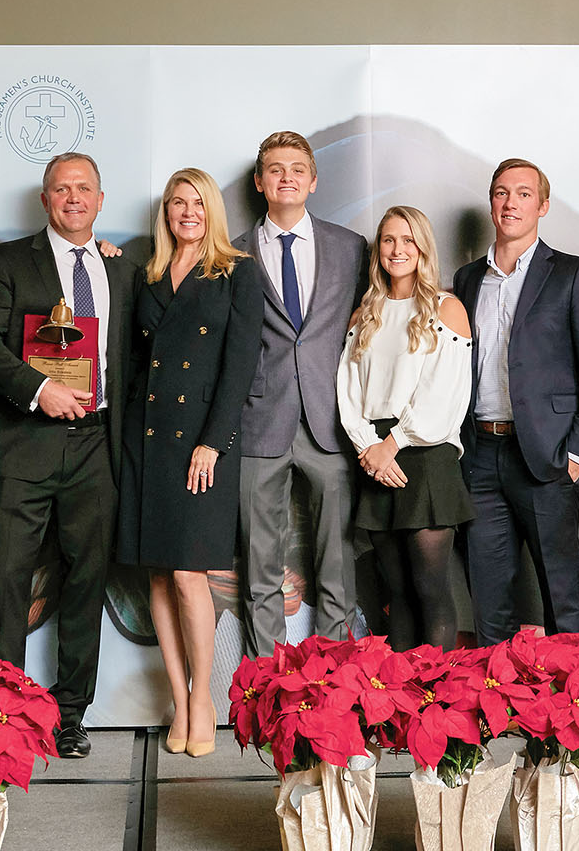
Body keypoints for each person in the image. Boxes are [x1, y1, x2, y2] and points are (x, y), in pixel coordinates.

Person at [0, 152, 139, 758]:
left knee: (86, 580)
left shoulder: (123, 270)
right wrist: (40, 390)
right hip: (24, 441)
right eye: (61, 189)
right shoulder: (8, 261)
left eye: (83, 188)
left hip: (98, 444)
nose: (72, 198)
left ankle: (70, 713)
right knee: (6, 579)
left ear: (99, 197)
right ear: (44, 199)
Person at [116, 168, 263, 757]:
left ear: (213, 211)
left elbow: (240, 366)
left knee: (188, 573)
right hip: (145, 440)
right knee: (156, 572)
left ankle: (205, 696)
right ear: (166, 213)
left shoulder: (237, 272)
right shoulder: (144, 272)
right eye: (177, 203)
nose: (187, 212)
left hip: (202, 442)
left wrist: (212, 442)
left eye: (197, 202)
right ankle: (179, 696)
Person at [452, 158, 579, 645]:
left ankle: (578, 708)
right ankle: (498, 703)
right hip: (480, 455)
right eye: (502, 192)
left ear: (543, 206)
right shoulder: (467, 281)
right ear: (491, 204)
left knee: (561, 589)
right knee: (487, 593)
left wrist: (577, 454)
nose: (511, 203)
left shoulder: (572, 274)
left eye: (524, 193)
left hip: (548, 457)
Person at [235, 131, 370, 656]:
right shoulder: (234, 252)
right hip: (258, 420)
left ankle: (334, 672)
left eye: (297, 168)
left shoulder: (350, 247)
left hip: (330, 419)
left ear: (313, 181)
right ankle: (266, 682)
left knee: (336, 556)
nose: (286, 176)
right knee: (257, 557)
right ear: (259, 181)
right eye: (275, 168)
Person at [336, 206, 474, 651]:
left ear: (423, 248)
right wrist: (370, 448)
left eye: (408, 240)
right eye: (389, 241)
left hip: (424, 455)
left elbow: (445, 393)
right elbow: (348, 391)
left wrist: (393, 443)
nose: (398, 250)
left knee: (430, 590)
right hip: (374, 456)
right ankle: (400, 703)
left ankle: (437, 705)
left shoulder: (445, 309)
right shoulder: (365, 314)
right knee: (394, 594)